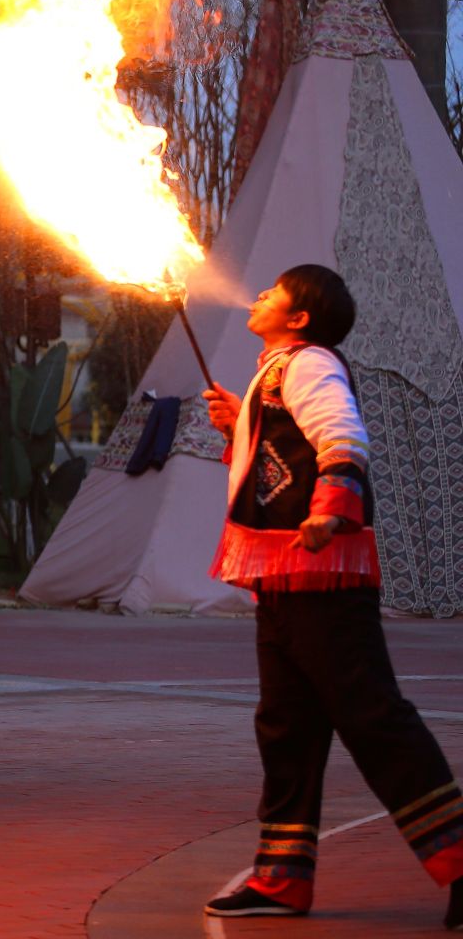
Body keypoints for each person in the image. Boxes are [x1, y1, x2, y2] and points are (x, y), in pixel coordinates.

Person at [199, 266, 462, 928]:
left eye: (276, 290)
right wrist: (241, 425)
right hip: (285, 577)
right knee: (286, 724)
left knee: (374, 719)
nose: (260, 293)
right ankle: (282, 878)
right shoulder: (276, 370)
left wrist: (330, 509)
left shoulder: (309, 362)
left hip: (321, 575)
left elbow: (343, 437)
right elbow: (283, 455)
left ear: (300, 318)